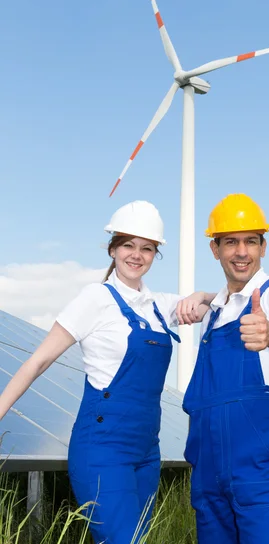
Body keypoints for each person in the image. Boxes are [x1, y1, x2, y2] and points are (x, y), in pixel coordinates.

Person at [0, 200, 214, 544]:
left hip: (147, 449)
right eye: (128, 244)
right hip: (102, 447)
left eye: (147, 248)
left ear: (155, 255)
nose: (136, 255)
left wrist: (200, 294)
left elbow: (222, 302)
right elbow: (37, 361)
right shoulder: (94, 299)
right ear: (112, 249)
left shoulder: (159, 304)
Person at [183, 193, 269, 544]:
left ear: (263, 247)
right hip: (208, 480)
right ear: (215, 249)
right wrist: (201, 298)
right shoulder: (212, 314)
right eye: (231, 242)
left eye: (250, 241)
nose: (242, 252)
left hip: (262, 479)